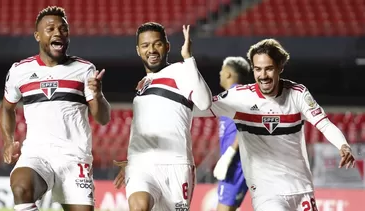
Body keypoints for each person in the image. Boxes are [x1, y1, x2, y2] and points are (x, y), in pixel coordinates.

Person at [193, 39, 355, 211]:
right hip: (266, 192)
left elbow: (324, 124)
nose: (263, 75)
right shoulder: (239, 97)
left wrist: (342, 144)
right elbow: (200, 108)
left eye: (269, 68)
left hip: (301, 188)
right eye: (258, 69)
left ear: (280, 68)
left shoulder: (298, 94)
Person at [0, 6, 111, 211]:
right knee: (21, 186)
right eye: (50, 29)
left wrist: (99, 94)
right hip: (37, 153)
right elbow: (7, 108)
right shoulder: (20, 70)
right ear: (37, 35)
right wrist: (8, 141)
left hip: (74, 156)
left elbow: (102, 118)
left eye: (63, 29)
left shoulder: (84, 69)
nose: (58, 33)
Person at [121, 22, 212, 211]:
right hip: (141, 164)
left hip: (176, 165)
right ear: (138, 50)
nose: (151, 50)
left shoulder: (180, 70)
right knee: (138, 207)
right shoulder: (143, 84)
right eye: (145, 45)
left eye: (157, 44)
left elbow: (204, 102)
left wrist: (188, 59)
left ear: (167, 46)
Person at [213, 57, 251, 211]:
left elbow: (245, 127)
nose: (220, 74)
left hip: (236, 164)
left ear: (228, 74)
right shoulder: (232, 97)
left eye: (222, 71)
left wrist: (229, 154)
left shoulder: (237, 96)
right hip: (235, 164)